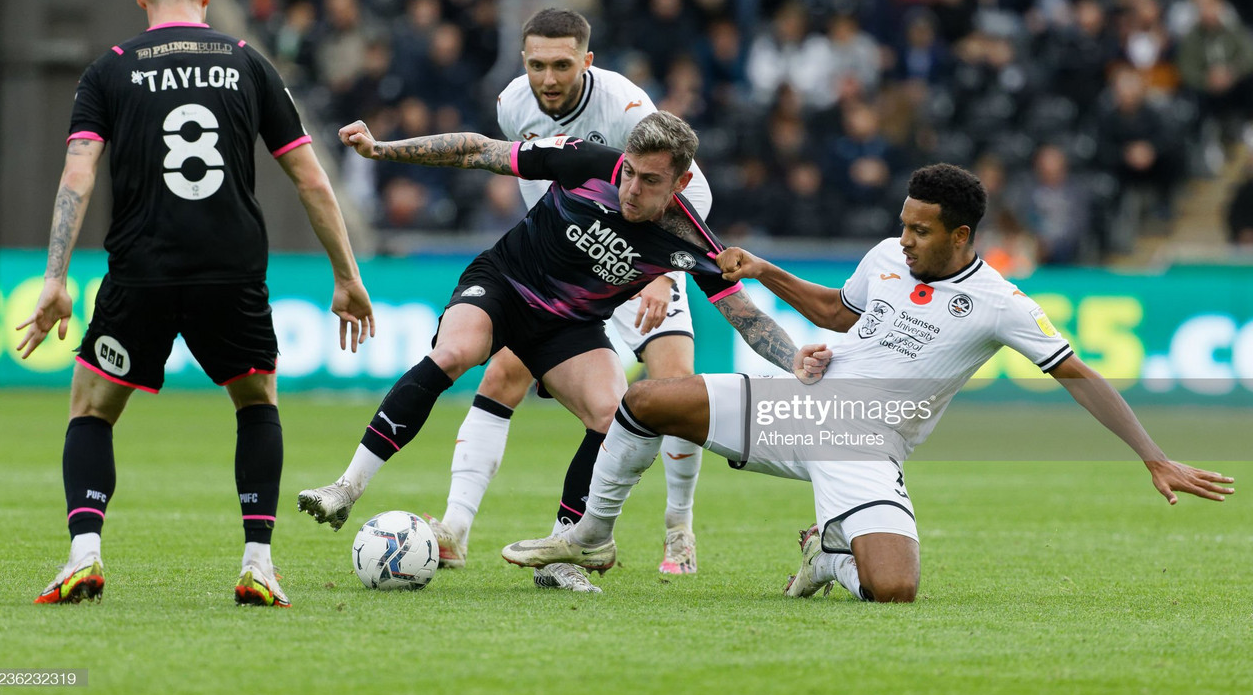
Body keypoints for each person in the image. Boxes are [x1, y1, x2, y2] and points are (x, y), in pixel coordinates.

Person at [502, 163, 1233, 602]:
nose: (906, 238)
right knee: (647, 399)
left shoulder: (1000, 304)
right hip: (797, 408)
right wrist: (767, 272)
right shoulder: (886, 255)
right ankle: (590, 534)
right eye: (905, 225)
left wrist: (1152, 453)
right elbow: (837, 313)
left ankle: (831, 551)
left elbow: (1078, 373)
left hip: (865, 447)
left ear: (961, 236)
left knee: (894, 589)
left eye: (922, 231)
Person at [296, 112, 823, 595]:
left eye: (650, 181)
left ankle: (561, 550)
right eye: (630, 173)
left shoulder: (688, 238)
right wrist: (382, 149)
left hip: (567, 328)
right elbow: (477, 151)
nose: (631, 190)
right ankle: (347, 487)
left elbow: (746, 317)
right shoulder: (585, 161)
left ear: (682, 183)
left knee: (614, 416)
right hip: (503, 283)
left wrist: (795, 359)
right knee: (457, 352)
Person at [16, 0, 375, 608]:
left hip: (141, 270)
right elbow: (310, 178)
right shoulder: (247, 61)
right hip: (231, 271)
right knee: (255, 402)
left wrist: (56, 276)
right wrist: (347, 274)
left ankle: (84, 554)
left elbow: (78, 173)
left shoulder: (109, 69)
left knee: (91, 407)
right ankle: (259, 561)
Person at [428, 9, 716, 587]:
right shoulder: (513, 104)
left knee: (675, 390)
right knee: (502, 376)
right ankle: (454, 530)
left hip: (640, 263)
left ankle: (678, 524)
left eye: (562, 64)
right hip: (563, 264)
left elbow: (693, 190)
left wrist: (659, 268)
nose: (549, 78)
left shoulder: (628, 107)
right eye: (538, 64)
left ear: (586, 61)